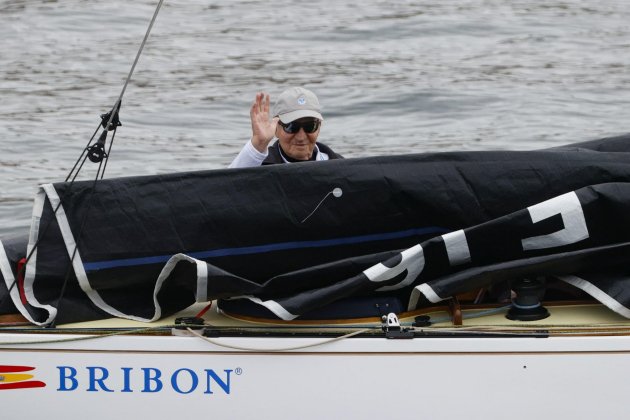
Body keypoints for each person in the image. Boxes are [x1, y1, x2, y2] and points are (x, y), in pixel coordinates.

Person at [229, 87, 343, 168]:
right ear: (276, 129)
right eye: (291, 126)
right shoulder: (259, 166)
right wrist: (258, 144)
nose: (301, 136)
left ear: (319, 128)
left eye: (310, 126)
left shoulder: (339, 165)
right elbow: (226, 188)